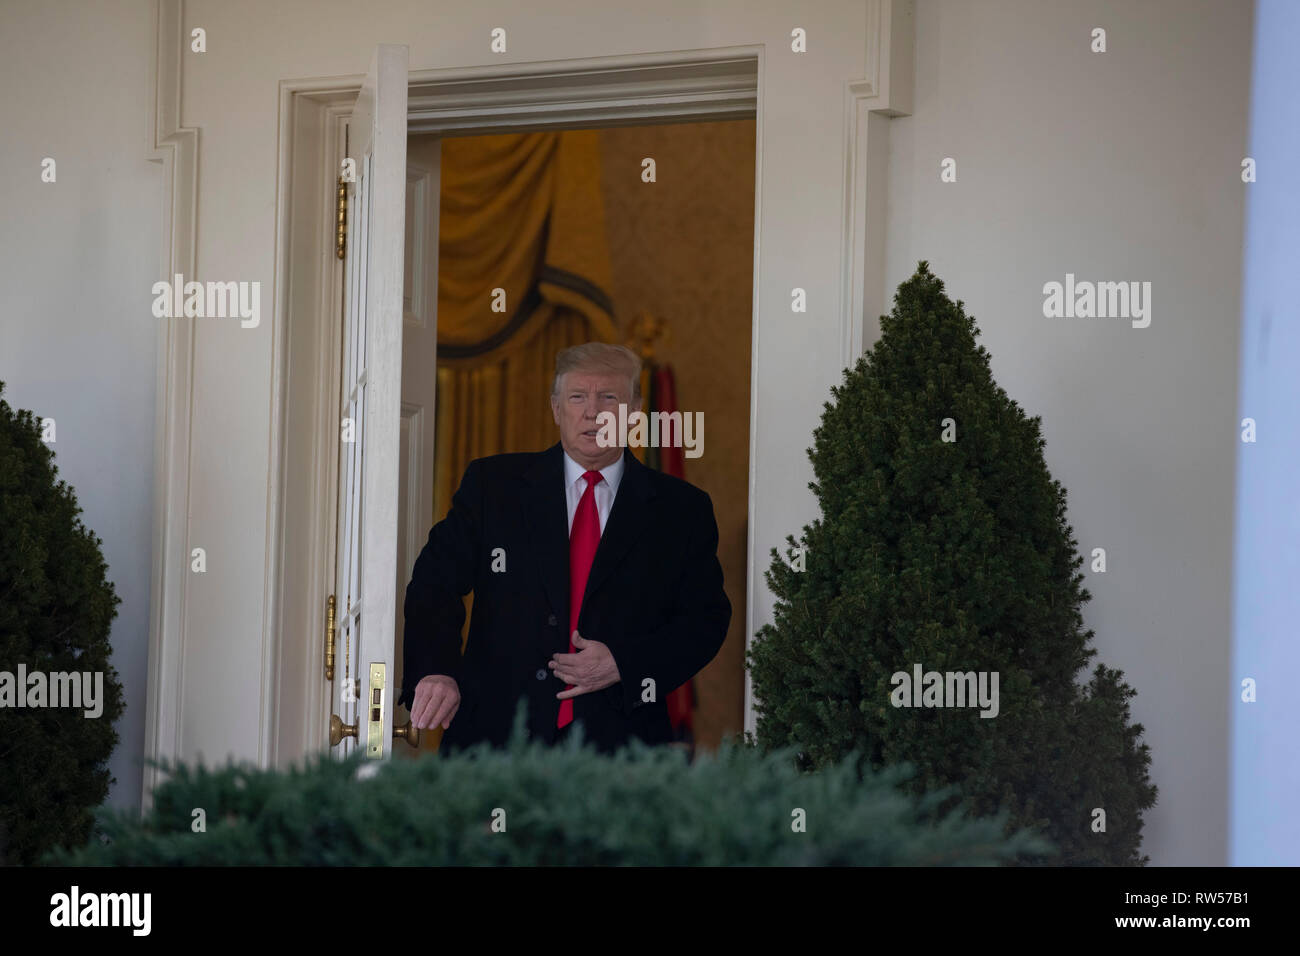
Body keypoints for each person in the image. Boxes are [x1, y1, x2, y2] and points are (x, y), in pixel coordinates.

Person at [397, 342, 731, 753]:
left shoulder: (682, 509)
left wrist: (625, 664)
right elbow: (434, 583)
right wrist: (437, 670)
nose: (593, 411)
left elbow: (705, 620)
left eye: (609, 396)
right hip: (495, 740)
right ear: (557, 408)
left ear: (635, 411)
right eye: (578, 396)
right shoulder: (494, 487)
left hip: (623, 751)